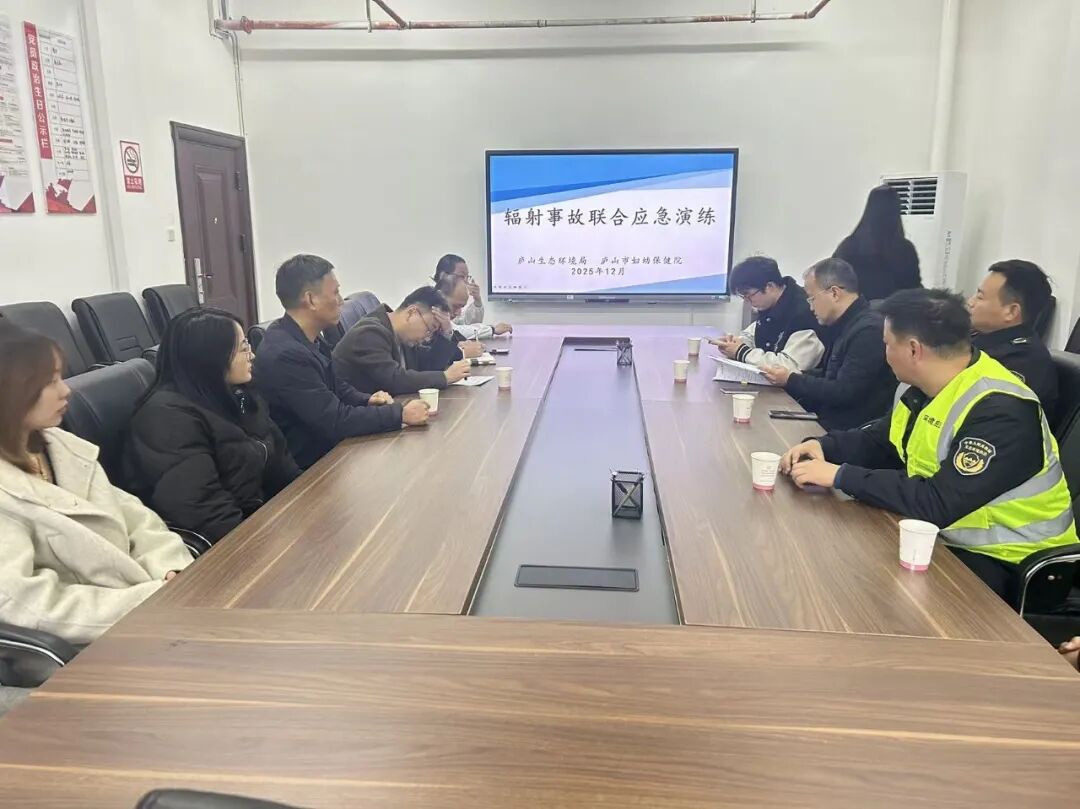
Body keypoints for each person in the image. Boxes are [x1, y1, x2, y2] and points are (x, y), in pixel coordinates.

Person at [780, 288, 1077, 602]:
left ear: (913, 350)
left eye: (887, 344)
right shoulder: (929, 386)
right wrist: (825, 447)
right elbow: (883, 440)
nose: (884, 353)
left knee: (859, 587)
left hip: (1012, 564)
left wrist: (840, 476)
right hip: (946, 539)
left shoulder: (1001, 411)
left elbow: (937, 502)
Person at [0, 324, 192, 644]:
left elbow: (139, 521)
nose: (66, 391)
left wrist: (171, 570)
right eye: (49, 382)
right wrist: (148, 600)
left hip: (155, 607)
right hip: (89, 643)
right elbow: (26, 603)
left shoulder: (62, 447)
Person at [124, 307, 300, 544]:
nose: (252, 355)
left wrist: (307, 505)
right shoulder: (166, 418)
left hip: (266, 522)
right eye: (243, 348)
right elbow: (205, 513)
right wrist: (266, 543)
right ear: (211, 357)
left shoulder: (239, 395)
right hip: (229, 545)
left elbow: (284, 468)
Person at [253, 255, 429, 470]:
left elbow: (336, 385)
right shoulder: (285, 355)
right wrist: (400, 413)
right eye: (335, 292)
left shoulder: (308, 337)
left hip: (332, 452)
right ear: (311, 299)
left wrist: (367, 400)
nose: (341, 301)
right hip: (310, 470)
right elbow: (334, 420)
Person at [762, 258, 895, 430]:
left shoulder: (868, 331)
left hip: (848, 430)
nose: (811, 308)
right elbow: (828, 374)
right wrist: (790, 374)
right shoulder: (844, 324)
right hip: (828, 419)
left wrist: (791, 379)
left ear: (834, 293)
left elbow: (843, 391)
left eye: (812, 299)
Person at [333, 286, 471, 395]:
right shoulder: (370, 333)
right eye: (429, 328)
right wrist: (445, 377)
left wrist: (446, 332)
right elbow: (394, 379)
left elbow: (426, 368)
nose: (427, 336)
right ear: (411, 313)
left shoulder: (401, 335)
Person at [968, 259, 1058, 416]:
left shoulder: (1022, 361)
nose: (970, 302)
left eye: (980, 297)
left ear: (1011, 312)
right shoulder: (981, 338)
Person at [710, 256, 824, 371]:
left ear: (770, 286)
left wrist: (741, 352)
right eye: (743, 297)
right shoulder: (770, 304)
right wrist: (735, 343)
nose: (748, 301)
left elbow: (789, 366)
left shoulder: (804, 313)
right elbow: (753, 333)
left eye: (749, 295)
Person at [833, 185, 921, 301]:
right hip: (893, 311)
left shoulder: (848, 246)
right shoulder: (905, 250)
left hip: (855, 310)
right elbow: (913, 291)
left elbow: (831, 280)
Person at [433, 253, 512, 339]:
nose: (466, 282)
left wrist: (477, 300)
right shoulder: (431, 300)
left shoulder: (450, 298)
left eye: (467, 277)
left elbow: (466, 324)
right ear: (443, 276)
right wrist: (492, 329)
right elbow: (455, 330)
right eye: (462, 276)